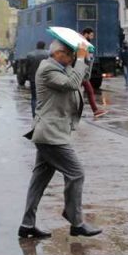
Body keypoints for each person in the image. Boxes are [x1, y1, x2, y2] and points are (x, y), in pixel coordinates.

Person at [19, 40, 102, 239]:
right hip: (51, 135)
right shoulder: (48, 69)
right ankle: (76, 221)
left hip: (52, 133)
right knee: (76, 173)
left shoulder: (62, 68)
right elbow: (72, 84)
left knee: (38, 182)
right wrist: (80, 59)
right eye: (69, 54)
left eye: (74, 54)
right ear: (57, 54)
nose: (73, 57)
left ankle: (27, 224)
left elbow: (82, 77)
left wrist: (86, 58)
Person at [79, 28, 106, 118]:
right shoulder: (82, 43)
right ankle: (94, 110)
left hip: (83, 71)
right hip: (81, 72)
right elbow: (85, 58)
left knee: (84, 92)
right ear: (86, 34)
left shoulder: (85, 43)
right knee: (88, 92)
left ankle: (94, 110)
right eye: (91, 35)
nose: (92, 37)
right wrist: (88, 56)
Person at [25, 41, 50, 118]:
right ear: (44, 46)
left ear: (36, 46)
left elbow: (27, 68)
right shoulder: (48, 55)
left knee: (34, 98)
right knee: (46, 98)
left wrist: (28, 77)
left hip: (33, 79)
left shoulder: (30, 55)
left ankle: (34, 115)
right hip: (46, 79)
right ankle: (44, 115)